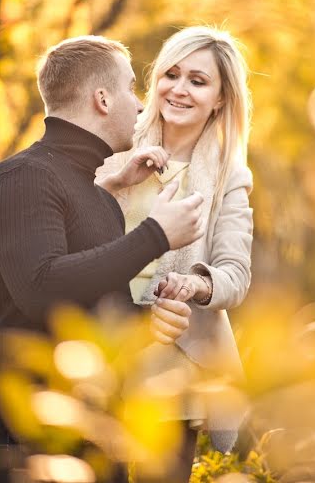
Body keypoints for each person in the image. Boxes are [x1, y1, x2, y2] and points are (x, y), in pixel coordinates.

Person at [0, 35, 205, 482]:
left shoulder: (96, 195)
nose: (140, 107)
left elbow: (83, 310)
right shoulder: (22, 177)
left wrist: (146, 321)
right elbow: (41, 288)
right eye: (130, 89)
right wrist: (157, 234)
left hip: (97, 445)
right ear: (101, 98)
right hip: (23, 450)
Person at [96, 25, 254, 481]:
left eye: (198, 81)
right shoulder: (113, 145)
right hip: (102, 347)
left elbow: (235, 274)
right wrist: (113, 180)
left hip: (173, 363)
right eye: (172, 74)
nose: (178, 90)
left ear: (220, 99)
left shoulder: (230, 176)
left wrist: (199, 284)